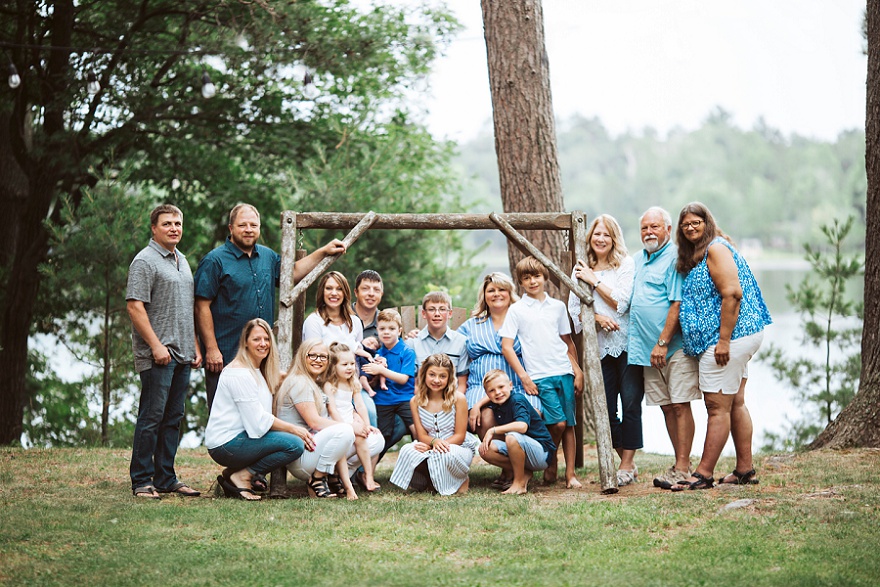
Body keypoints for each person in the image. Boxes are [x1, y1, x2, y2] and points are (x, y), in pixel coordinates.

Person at [194, 203, 346, 409]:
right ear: (231, 228)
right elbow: (201, 306)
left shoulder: (266, 256)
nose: (248, 229)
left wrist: (323, 251)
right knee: (224, 410)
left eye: (253, 225)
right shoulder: (214, 261)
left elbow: (291, 273)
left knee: (259, 408)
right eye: (243, 225)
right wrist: (211, 349)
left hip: (261, 352)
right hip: (226, 350)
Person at [672, 202, 771, 490]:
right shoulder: (709, 250)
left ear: (707, 223)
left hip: (729, 339)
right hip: (737, 336)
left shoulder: (715, 249)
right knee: (735, 402)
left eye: (696, 222)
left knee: (716, 407)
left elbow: (733, 294)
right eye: (685, 224)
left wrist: (724, 340)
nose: (690, 227)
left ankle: (702, 475)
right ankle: (744, 470)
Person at [126, 204, 202, 499]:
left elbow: (186, 307)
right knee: (152, 417)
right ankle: (142, 480)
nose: (174, 228)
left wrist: (194, 344)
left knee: (173, 417)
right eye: (168, 223)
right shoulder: (144, 261)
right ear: (154, 228)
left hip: (182, 353)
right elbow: (135, 306)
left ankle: (166, 477)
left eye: (178, 223)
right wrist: (156, 345)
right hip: (158, 354)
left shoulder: (181, 259)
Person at [628, 207, 701, 489]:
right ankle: (679, 463)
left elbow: (677, 303)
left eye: (655, 227)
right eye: (645, 227)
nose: (649, 232)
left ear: (668, 230)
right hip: (647, 352)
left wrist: (663, 342)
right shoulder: (636, 260)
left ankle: (683, 467)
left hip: (673, 348)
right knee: (667, 408)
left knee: (681, 405)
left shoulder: (675, 257)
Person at [205, 319, 315, 501]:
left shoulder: (257, 369)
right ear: (245, 342)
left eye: (267, 339)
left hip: (241, 437)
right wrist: (295, 428)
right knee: (294, 444)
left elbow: (287, 377)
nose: (263, 344)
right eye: (256, 339)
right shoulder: (239, 373)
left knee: (292, 441)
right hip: (226, 444)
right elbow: (257, 424)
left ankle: (235, 474)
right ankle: (243, 476)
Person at [568, 214, 642, 486]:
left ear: (614, 239)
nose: (601, 239)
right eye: (597, 234)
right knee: (607, 410)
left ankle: (625, 465)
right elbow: (574, 312)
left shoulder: (625, 264)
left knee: (631, 403)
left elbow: (622, 302)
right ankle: (628, 462)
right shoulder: (580, 269)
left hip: (627, 345)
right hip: (599, 350)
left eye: (606, 235)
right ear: (590, 238)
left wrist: (595, 280)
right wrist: (597, 319)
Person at [499, 256, 584, 489]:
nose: (532, 281)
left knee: (568, 425)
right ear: (521, 283)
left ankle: (570, 475)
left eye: (536, 276)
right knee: (556, 424)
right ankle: (550, 460)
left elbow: (567, 342)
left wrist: (577, 371)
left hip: (563, 371)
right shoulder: (516, 310)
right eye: (526, 278)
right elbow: (507, 346)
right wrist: (524, 377)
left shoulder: (557, 306)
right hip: (538, 375)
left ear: (545, 277)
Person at [457, 273, 541, 440]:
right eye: (491, 290)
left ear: (510, 293)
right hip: (481, 387)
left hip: (517, 383)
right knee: (485, 417)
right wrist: (415, 336)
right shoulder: (471, 325)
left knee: (533, 412)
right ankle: (501, 457)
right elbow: (451, 345)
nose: (496, 294)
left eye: (502, 289)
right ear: (484, 296)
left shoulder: (523, 321)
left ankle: (517, 459)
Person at [275, 339, 359, 498]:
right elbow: (314, 422)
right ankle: (318, 478)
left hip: (311, 447)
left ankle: (332, 478)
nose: (318, 360)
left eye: (323, 357)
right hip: (301, 456)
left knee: (367, 440)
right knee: (346, 431)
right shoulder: (299, 381)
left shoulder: (311, 381)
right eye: (312, 355)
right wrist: (348, 426)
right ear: (302, 356)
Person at [389, 354, 478, 495]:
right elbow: (421, 434)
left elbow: (460, 436)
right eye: (432, 375)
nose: (436, 380)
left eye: (442, 376)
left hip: (456, 447)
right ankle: (431, 480)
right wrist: (432, 442)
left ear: (449, 378)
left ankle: (460, 479)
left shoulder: (458, 399)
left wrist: (436, 445)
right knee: (408, 450)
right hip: (429, 443)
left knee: (444, 454)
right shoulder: (415, 401)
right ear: (424, 375)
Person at [478, 370, 557, 495]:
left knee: (512, 436)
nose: (497, 392)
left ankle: (519, 483)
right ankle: (524, 472)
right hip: (523, 448)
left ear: (510, 385)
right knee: (485, 449)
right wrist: (477, 406)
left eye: (501, 387)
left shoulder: (517, 400)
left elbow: (522, 426)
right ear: (487, 394)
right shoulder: (497, 403)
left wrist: (492, 430)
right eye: (491, 390)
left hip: (542, 452)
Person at [324, 342, 383, 493]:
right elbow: (333, 410)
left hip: (351, 421)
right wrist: (346, 426)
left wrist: (366, 425)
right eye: (344, 364)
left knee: (363, 437)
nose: (350, 367)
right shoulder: (329, 385)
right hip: (337, 424)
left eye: (352, 363)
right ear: (333, 366)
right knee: (354, 438)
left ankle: (368, 476)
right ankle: (337, 476)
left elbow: (360, 405)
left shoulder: (352, 382)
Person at [362, 309, 418, 463]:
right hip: (383, 400)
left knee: (417, 430)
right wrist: (373, 374)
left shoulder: (407, 351)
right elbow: (371, 380)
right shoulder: (376, 354)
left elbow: (403, 379)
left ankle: (422, 469)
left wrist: (382, 370)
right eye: (382, 329)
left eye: (391, 329)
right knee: (381, 435)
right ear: (377, 330)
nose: (386, 332)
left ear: (399, 331)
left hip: (405, 398)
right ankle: (367, 475)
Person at [406, 291, 469, 391]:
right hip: (422, 400)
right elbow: (414, 384)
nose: (437, 314)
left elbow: (462, 384)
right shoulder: (413, 343)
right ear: (424, 313)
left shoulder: (461, 342)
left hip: (451, 400)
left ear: (450, 313)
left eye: (442, 309)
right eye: (431, 309)